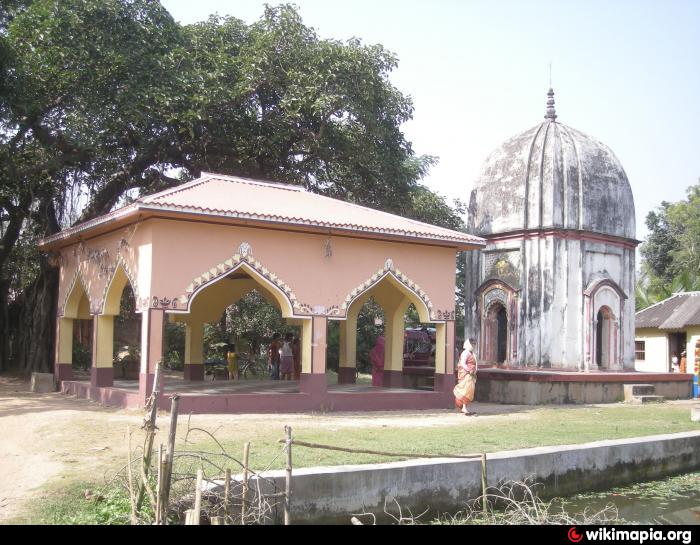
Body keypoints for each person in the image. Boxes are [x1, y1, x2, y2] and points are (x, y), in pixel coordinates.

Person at [454, 339, 478, 416]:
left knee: (470, 391)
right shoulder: (465, 353)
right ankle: (464, 408)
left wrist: (475, 371)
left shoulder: (472, 353)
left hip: (471, 375)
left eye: (474, 344)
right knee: (465, 390)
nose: (473, 346)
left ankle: (464, 408)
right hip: (466, 374)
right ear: (468, 344)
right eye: (472, 344)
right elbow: (462, 363)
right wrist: (469, 370)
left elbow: (475, 364)